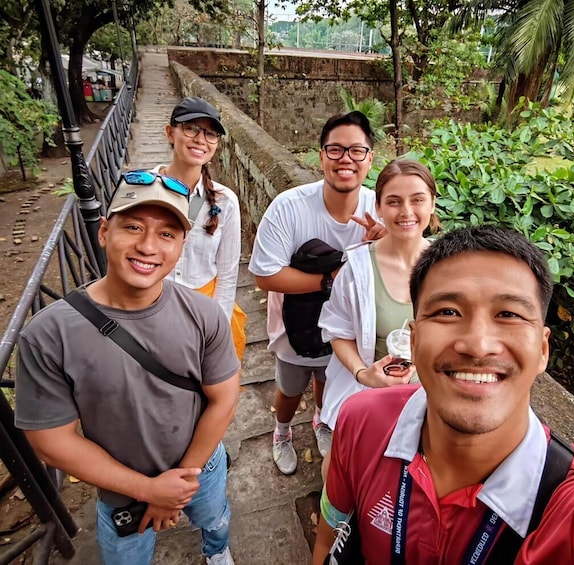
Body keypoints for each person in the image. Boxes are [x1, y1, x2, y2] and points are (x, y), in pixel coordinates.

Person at [313, 225, 574, 564]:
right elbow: (330, 536)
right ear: (413, 340)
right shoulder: (362, 418)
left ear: (542, 349)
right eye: (447, 312)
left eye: (509, 315)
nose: (476, 344)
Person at [15, 173, 241, 565]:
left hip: (200, 466)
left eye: (167, 234)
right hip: (121, 488)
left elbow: (224, 396)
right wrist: (150, 490)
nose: (148, 246)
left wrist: (180, 481)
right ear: (104, 231)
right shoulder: (49, 333)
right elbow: (50, 441)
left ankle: (216, 551)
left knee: (215, 518)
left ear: (182, 246)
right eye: (133, 227)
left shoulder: (203, 314)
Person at [249, 111, 385, 475]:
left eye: (357, 151)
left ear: (370, 159)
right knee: (290, 387)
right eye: (336, 149)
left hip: (347, 329)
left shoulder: (380, 210)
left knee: (330, 378)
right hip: (296, 326)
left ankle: (322, 421)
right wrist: (333, 277)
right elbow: (265, 275)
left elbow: (403, 264)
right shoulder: (289, 207)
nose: (346, 159)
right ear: (321, 155)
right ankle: (281, 431)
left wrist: (382, 248)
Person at [319, 159, 441, 433]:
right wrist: (364, 374)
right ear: (379, 207)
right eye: (394, 201)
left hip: (431, 404)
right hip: (372, 400)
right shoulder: (358, 267)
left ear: (432, 203)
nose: (406, 211)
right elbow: (337, 331)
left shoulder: (449, 266)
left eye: (418, 200)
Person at [154, 96, 247, 360]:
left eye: (210, 133)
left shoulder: (225, 201)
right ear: (170, 133)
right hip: (151, 308)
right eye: (191, 128)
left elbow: (228, 275)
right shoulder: (143, 188)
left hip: (203, 311)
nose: (200, 139)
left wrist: (216, 330)